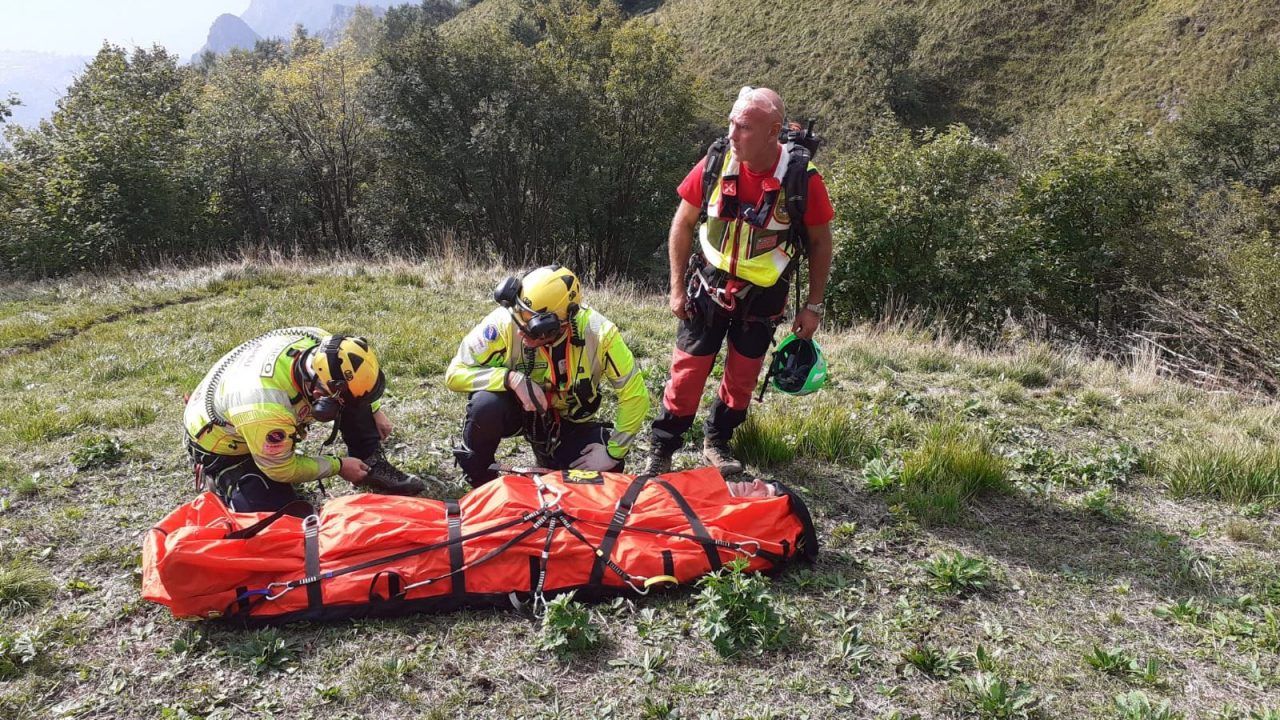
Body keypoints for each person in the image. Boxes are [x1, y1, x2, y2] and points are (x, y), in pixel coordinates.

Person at [645, 86, 835, 477]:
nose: (733, 133)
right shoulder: (716, 163)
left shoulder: (802, 180)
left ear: (773, 131)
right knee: (688, 371)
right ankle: (662, 448)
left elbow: (820, 242)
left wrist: (813, 305)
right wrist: (677, 286)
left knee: (743, 376)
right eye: (732, 122)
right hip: (707, 285)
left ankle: (717, 441)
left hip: (765, 295)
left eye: (744, 126)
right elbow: (682, 223)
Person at [445, 265, 650, 487]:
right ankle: (480, 479)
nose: (520, 329)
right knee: (485, 405)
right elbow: (455, 374)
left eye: (532, 325)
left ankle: (552, 460)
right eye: (519, 316)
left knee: (610, 472)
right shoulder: (502, 323)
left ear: (561, 324)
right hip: (517, 410)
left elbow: (635, 395)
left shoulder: (600, 334)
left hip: (568, 420)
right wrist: (511, 379)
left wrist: (613, 453)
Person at [184, 327, 427, 514]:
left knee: (351, 398)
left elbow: (355, 381)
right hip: (225, 443)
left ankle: (370, 464)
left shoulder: (323, 345)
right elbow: (282, 469)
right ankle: (225, 478)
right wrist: (339, 466)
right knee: (282, 518)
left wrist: (374, 409)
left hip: (249, 408)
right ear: (319, 395)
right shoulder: (264, 405)